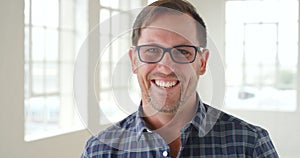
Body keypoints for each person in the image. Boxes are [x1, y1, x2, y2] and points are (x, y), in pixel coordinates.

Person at [81, 0, 279, 157]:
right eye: (151, 50)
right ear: (134, 61)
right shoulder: (99, 152)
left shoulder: (250, 145)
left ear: (202, 63)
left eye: (183, 51)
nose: (166, 67)